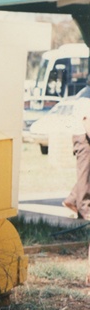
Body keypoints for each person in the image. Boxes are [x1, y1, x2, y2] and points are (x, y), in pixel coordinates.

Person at [64, 87, 90, 220]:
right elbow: (87, 121)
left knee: (85, 174)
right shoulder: (87, 97)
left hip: (82, 137)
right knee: (84, 173)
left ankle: (73, 199)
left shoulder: (84, 93)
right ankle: (85, 210)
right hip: (83, 137)